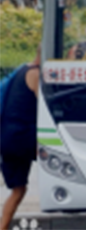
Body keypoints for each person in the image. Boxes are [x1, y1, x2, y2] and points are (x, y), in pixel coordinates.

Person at [0, 46, 40, 231]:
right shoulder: (35, 74)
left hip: (11, 136)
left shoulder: (22, 69)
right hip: (19, 139)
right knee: (18, 190)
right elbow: (45, 106)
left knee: (19, 189)